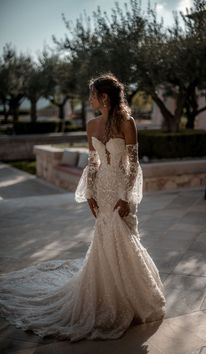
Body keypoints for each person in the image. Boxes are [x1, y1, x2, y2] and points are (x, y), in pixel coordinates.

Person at [0, 73, 166, 342]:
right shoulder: (91, 125)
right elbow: (92, 163)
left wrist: (126, 196)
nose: (89, 99)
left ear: (104, 97)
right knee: (105, 238)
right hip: (101, 187)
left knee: (125, 236)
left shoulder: (127, 122)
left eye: (92, 94)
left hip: (120, 187)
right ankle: (107, 292)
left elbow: (133, 164)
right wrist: (90, 193)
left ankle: (132, 297)